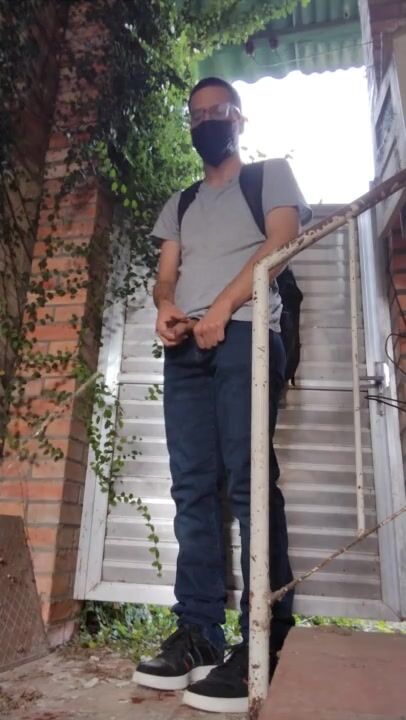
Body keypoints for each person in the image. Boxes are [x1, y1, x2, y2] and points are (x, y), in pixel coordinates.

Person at [133, 77, 311, 714]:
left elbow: (281, 242)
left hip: (246, 338)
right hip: (187, 348)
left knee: (250, 483)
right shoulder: (181, 203)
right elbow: (165, 277)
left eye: (218, 111)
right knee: (191, 488)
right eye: (197, 114)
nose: (207, 121)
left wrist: (225, 307)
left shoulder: (269, 176)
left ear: (239, 118)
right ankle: (199, 633)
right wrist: (167, 309)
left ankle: (267, 637)